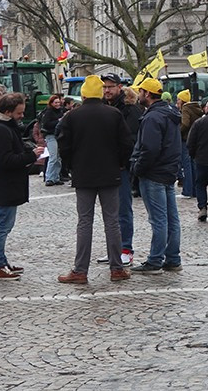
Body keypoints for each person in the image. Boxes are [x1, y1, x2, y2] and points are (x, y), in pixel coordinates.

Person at [55, 75, 134, 283]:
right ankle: (116, 268)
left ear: (83, 93)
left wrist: (72, 165)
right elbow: (127, 143)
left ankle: (80, 270)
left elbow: (64, 146)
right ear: (100, 92)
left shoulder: (72, 116)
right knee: (112, 221)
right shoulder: (114, 114)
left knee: (84, 222)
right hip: (110, 172)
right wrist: (120, 162)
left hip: (84, 173)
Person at [0, 92, 43, 280]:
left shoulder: (4, 126)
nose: (22, 116)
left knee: (5, 224)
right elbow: (5, 160)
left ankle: (1, 261)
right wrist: (32, 155)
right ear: (7, 112)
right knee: (2, 225)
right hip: (3, 183)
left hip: (6, 183)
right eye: (19, 113)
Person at [129, 78, 183, 273]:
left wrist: (138, 168)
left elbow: (150, 148)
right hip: (168, 171)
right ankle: (173, 258)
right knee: (171, 218)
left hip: (154, 173)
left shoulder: (153, 117)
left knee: (159, 219)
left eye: (141, 92)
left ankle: (155, 260)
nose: (139, 95)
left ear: (148, 94)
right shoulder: (170, 113)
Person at [101, 74, 143, 265]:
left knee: (123, 209)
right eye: (104, 87)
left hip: (121, 167)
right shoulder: (103, 107)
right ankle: (113, 248)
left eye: (110, 87)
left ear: (119, 87)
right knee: (109, 211)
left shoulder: (130, 109)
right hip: (105, 165)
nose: (107, 90)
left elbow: (132, 140)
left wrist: (123, 161)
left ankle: (126, 248)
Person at [177, 89, 203, 199]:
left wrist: (178, 131)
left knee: (187, 165)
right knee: (193, 165)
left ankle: (187, 191)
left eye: (178, 99)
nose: (177, 101)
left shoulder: (186, 108)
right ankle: (194, 191)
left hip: (186, 139)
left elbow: (185, 123)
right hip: (194, 140)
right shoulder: (196, 108)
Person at [39, 93, 67, 186]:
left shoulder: (60, 111)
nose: (58, 104)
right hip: (50, 135)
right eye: (55, 102)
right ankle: (49, 178)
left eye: (58, 102)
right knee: (53, 156)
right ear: (51, 103)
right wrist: (58, 121)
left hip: (58, 135)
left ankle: (56, 177)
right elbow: (46, 124)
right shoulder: (48, 112)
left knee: (58, 158)